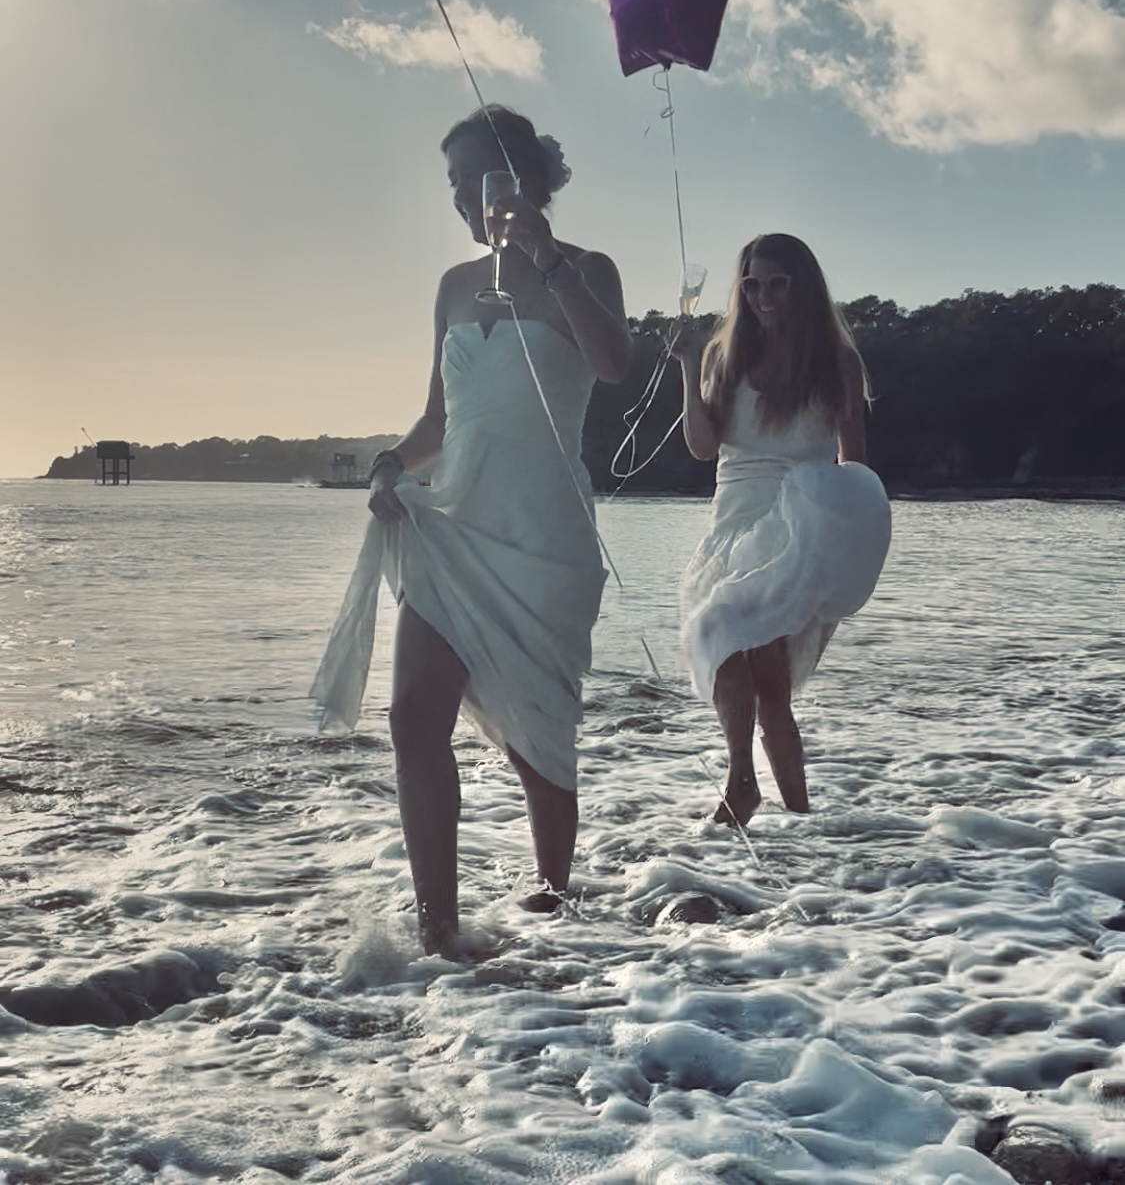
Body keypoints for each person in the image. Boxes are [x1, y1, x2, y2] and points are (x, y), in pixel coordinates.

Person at [311, 105, 631, 956]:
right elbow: (438, 422)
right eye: (452, 181)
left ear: (523, 176)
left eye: (473, 177)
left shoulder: (587, 268)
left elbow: (613, 366)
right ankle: (437, 929)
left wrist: (547, 259)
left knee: (537, 734)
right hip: (451, 529)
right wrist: (389, 466)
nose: (460, 195)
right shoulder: (453, 286)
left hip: (543, 538)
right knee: (413, 718)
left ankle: (553, 902)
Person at [671, 233, 890, 825]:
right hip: (731, 522)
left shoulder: (836, 362)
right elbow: (702, 447)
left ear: (803, 287)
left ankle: (742, 784)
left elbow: (854, 462)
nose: (763, 296)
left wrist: (838, 542)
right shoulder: (725, 357)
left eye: (777, 284)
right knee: (765, 679)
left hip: (795, 523)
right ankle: (801, 814)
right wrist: (688, 366)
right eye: (752, 285)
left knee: (719, 629)